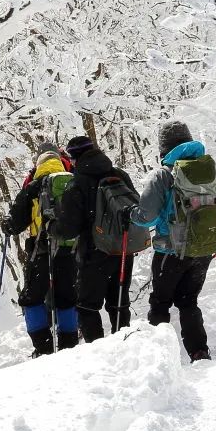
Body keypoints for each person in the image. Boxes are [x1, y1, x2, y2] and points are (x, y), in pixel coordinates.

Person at [135, 120, 216, 362]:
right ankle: (199, 351)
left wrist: (131, 214)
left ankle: (160, 359)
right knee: (188, 301)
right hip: (203, 250)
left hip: (170, 253)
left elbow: (145, 217)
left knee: (160, 303)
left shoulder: (162, 175)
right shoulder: (207, 170)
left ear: (163, 148)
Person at [52, 135, 137, 343]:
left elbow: (68, 229)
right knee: (119, 304)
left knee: (87, 307)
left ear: (74, 158)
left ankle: (98, 355)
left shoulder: (77, 183)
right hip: (123, 248)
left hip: (95, 252)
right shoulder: (120, 175)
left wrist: (52, 227)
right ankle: (125, 349)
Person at [1, 150, 79, 356]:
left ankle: (43, 348)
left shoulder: (33, 186)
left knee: (31, 298)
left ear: (39, 165)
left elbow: (15, 223)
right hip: (70, 250)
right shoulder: (73, 182)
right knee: (67, 298)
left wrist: (7, 224)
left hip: (41, 251)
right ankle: (69, 347)